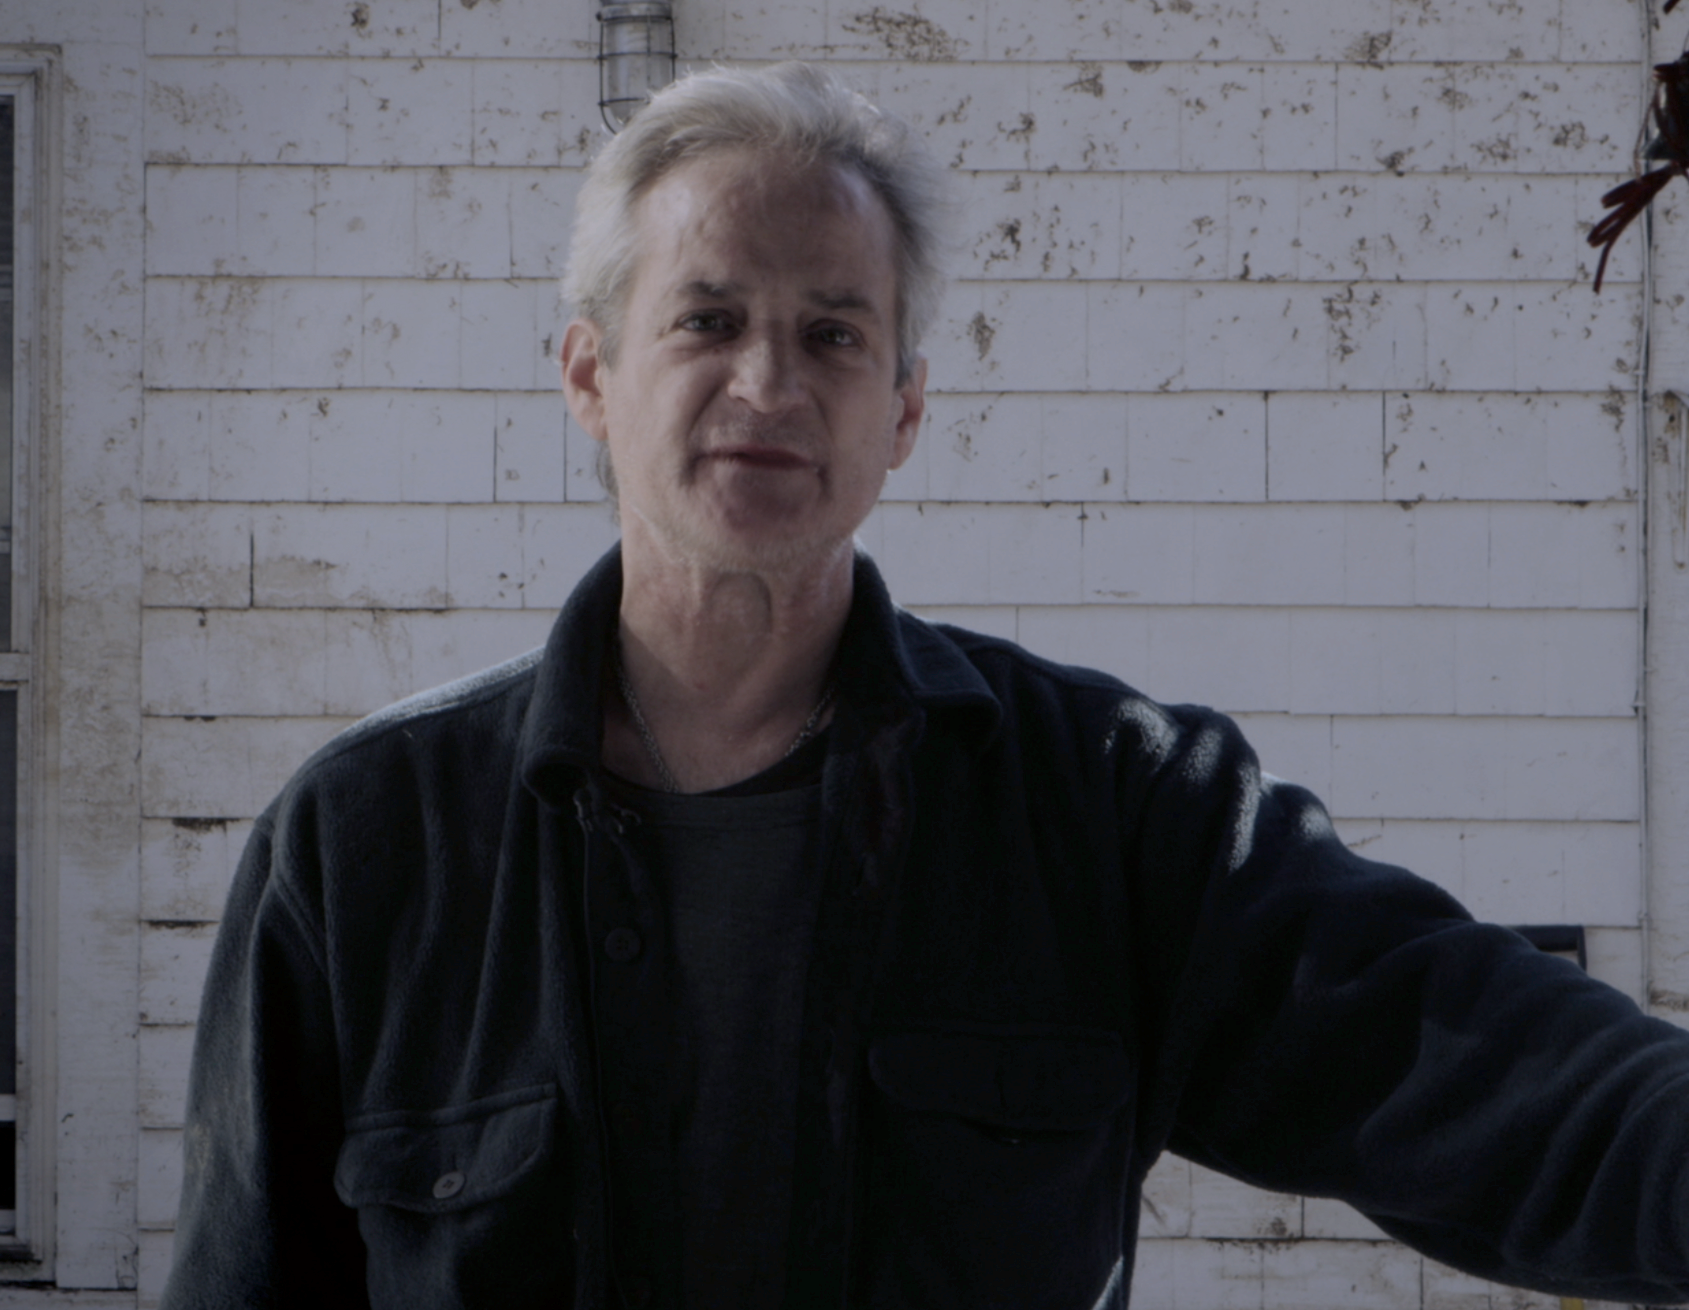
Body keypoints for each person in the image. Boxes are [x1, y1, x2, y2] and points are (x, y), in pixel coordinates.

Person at [161, 62, 1689, 1310]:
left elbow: (1462, 1045)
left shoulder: (1105, 806)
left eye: (833, 333)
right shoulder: (364, 844)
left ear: (901, 413)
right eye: (707, 318)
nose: (770, 383)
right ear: (588, 376)